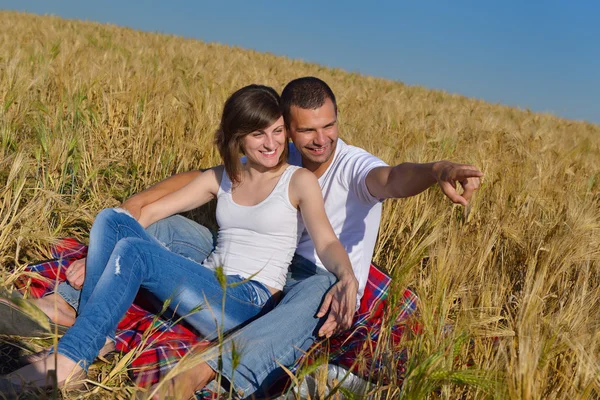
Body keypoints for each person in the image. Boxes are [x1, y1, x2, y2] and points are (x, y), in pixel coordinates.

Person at [6, 77, 482, 398]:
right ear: (289, 130)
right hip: (230, 264)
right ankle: (76, 306)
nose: (321, 140)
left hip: (307, 278)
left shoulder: (340, 169)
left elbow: (391, 181)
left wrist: (438, 170)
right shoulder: (264, 160)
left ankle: (205, 370)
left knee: (310, 288)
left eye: (329, 126)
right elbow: (193, 181)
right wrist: (129, 213)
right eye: (305, 131)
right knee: (139, 226)